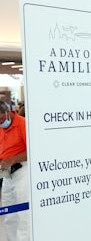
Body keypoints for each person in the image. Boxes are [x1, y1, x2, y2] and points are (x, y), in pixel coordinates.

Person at [0, 100, 29, 241]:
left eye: (1, 119)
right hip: (6, 174)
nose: (0, 123)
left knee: (23, 215)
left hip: (22, 171)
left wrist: (12, 159)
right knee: (8, 214)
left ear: (8, 111)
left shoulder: (23, 124)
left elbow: (33, 151)